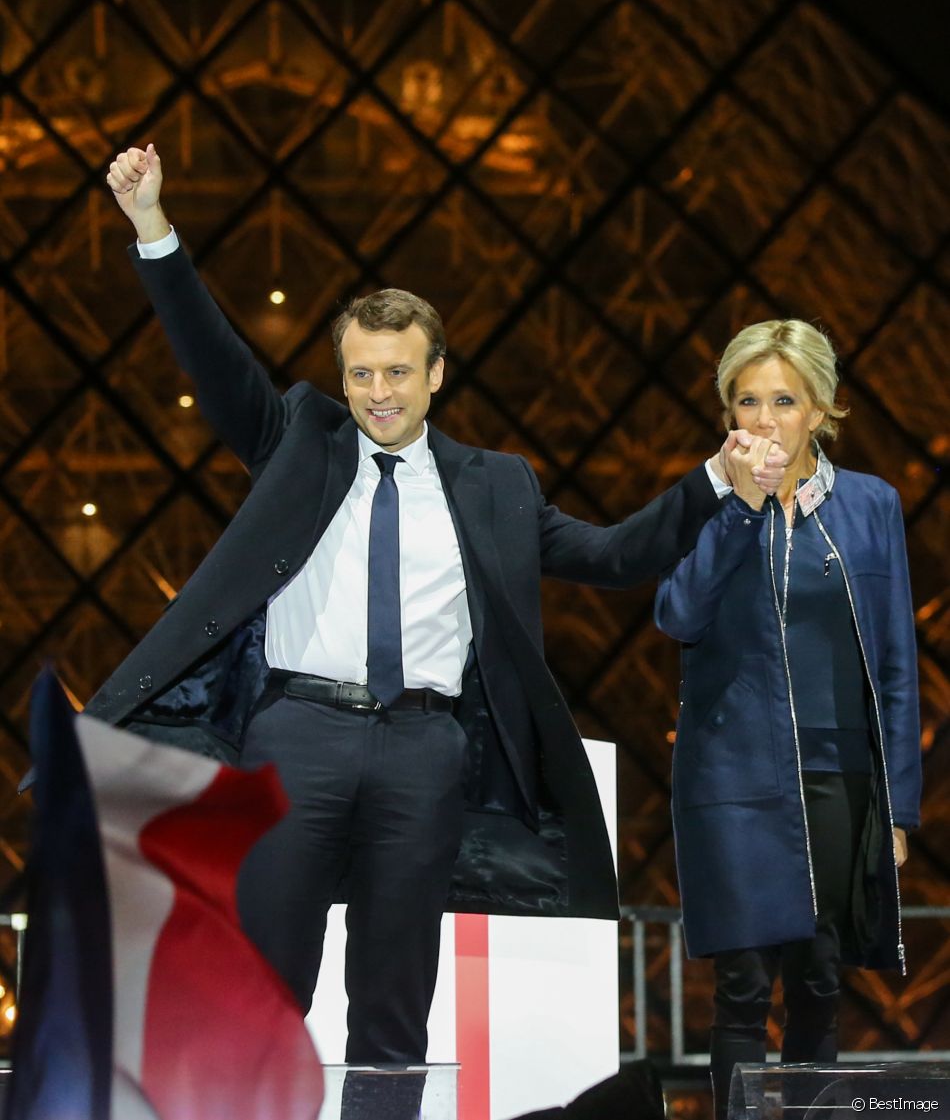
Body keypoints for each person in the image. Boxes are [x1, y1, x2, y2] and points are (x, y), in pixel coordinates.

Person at [96, 143, 784, 1072]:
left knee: (394, 1009)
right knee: (256, 991)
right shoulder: (299, 438)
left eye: (397, 372)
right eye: (361, 373)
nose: (377, 393)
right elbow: (214, 358)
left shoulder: (497, 486)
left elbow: (616, 553)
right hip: (295, 736)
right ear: (341, 377)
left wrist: (715, 481)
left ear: (436, 375)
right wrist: (153, 229)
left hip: (425, 752)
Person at [654, 320, 921, 1120]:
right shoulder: (706, 500)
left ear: (820, 409)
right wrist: (740, 506)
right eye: (747, 399)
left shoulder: (873, 505)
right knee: (741, 986)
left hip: (837, 776)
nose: (764, 418)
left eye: (784, 400)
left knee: (818, 978)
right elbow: (677, 614)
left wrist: (899, 809)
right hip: (735, 776)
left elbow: (899, 666)